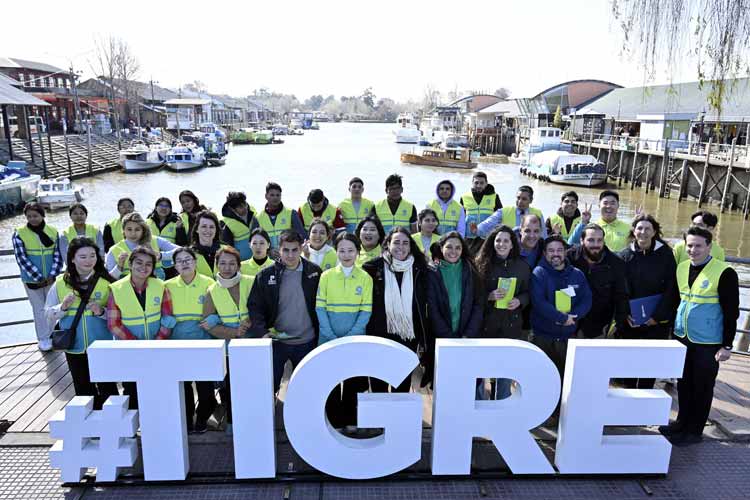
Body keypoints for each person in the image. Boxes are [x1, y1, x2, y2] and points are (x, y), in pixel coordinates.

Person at [661, 226, 739, 446]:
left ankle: (695, 431)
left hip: (709, 341)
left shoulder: (724, 272)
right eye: (689, 246)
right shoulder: (682, 267)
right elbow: (676, 301)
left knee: (702, 386)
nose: (693, 250)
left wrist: (727, 345)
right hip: (682, 336)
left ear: (709, 246)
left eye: (698, 246)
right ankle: (681, 423)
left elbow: (731, 312)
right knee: (684, 383)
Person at [44, 237, 117, 408]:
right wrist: (62, 307)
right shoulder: (61, 282)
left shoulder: (107, 281)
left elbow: (117, 315)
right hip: (74, 347)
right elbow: (48, 313)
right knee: (83, 390)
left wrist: (101, 312)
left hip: (101, 346)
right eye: (83, 257)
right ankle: (90, 430)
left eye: (93, 255)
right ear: (72, 258)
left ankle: (113, 429)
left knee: (108, 389)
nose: (89, 260)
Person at [248, 230, 321, 393]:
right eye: (286, 250)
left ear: (301, 248)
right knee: (269, 386)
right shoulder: (265, 276)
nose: (290, 255)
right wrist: (262, 332)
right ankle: (270, 417)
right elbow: (255, 307)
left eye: (294, 250)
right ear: (278, 250)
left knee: (305, 389)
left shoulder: (314, 272)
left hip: (306, 342)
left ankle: (301, 418)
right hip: (276, 342)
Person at [362, 227, 430, 393]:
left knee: (402, 384)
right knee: (378, 384)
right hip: (380, 334)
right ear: (388, 245)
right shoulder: (371, 268)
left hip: (408, 336)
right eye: (396, 242)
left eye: (405, 243)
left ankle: (397, 419)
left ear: (410, 246)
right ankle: (380, 418)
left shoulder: (420, 269)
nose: (401, 246)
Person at [316, 232, 373, 429]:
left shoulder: (365, 278)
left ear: (358, 252)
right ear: (336, 252)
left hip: (355, 339)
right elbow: (320, 308)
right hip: (327, 338)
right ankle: (334, 420)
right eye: (341, 250)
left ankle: (350, 419)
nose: (346, 254)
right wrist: (330, 334)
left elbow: (366, 311)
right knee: (329, 381)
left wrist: (351, 335)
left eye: (350, 250)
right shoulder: (326, 276)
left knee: (353, 381)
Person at [106, 246, 174, 409]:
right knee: (132, 388)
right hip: (130, 350)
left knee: (160, 387)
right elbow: (113, 324)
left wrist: (156, 342)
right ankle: (132, 431)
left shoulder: (160, 286)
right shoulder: (117, 288)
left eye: (148, 264)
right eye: (139, 263)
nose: (143, 267)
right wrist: (136, 344)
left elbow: (168, 318)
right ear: (130, 264)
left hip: (158, 347)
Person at [616, 214, 677, 389]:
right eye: (639, 228)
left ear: (655, 232)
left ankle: (645, 399)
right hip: (631, 321)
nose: (643, 232)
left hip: (656, 322)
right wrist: (626, 314)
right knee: (629, 364)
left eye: (647, 228)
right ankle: (627, 397)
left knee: (649, 365)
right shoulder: (625, 255)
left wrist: (657, 316)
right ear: (633, 231)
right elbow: (620, 289)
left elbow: (671, 288)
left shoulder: (665, 254)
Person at [474, 226, 531, 399]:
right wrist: (489, 296)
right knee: (480, 370)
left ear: (513, 244)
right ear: (492, 242)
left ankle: (501, 408)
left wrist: (519, 301)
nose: (501, 244)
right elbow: (473, 296)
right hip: (486, 326)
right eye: (498, 240)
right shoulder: (480, 264)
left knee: (504, 373)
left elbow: (528, 293)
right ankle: (478, 408)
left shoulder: (522, 266)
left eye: (506, 240)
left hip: (510, 326)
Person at [202, 247, 254, 434]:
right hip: (229, 349)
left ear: (239, 265)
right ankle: (231, 422)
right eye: (222, 263)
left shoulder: (251, 282)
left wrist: (251, 321)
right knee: (231, 389)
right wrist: (233, 332)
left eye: (232, 263)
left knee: (254, 386)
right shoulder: (212, 291)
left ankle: (256, 420)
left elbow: (263, 308)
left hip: (254, 344)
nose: (227, 267)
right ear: (216, 265)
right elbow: (207, 324)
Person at [165, 247, 217, 433]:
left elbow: (220, 308)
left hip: (203, 342)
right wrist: (165, 320)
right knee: (183, 387)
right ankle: (186, 422)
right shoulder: (167, 286)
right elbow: (162, 310)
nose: (185, 263)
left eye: (188, 259)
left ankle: (202, 419)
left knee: (205, 388)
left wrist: (214, 319)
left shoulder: (209, 283)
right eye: (180, 260)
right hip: (177, 344)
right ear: (175, 265)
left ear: (195, 262)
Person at [425, 231, 483, 387]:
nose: (453, 251)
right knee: (444, 383)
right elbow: (432, 308)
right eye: (449, 247)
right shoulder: (433, 272)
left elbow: (478, 304)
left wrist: (467, 335)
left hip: (466, 336)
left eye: (458, 247)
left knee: (465, 382)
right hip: (442, 338)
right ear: (441, 248)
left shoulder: (471, 269)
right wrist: (448, 336)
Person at [529, 236, 592, 378]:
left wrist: (573, 316)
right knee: (541, 379)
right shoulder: (539, 273)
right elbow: (539, 302)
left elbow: (586, 300)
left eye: (559, 250)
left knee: (566, 381)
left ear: (565, 252)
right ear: (545, 253)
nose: (555, 254)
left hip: (567, 338)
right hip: (542, 338)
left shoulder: (577, 274)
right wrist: (561, 317)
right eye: (551, 251)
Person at [12, 203, 64, 351]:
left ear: (42, 215)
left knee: (52, 308)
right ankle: (43, 338)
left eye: (35, 216)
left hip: (50, 278)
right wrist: (38, 276)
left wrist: (52, 274)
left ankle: (52, 334)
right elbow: (21, 258)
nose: (32, 219)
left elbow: (57, 255)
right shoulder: (19, 233)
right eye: (29, 216)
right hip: (31, 279)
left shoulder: (53, 231)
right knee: (39, 310)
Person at [566, 223, 629, 338]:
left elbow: (622, 296)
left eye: (599, 240)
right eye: (591, 240)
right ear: (581, 240)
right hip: (571, 322)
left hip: (601, 326)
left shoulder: (616, 263)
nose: (596, 245)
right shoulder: (569, 258)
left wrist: (617, 324)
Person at [105, 212, 178, 280]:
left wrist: (161, 255)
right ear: (123, 230)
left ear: (143, 230)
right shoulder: (114, 250)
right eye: (129, 229)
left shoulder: (155, 240)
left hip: (155, 287)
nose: (133, 233)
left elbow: (181, 251)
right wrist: (119, 266)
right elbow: (109, 279)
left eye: (137, 229)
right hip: (129, 290)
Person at [477, 186, 546, 238]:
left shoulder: (538, 213)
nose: (520, 201)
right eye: (518, 198)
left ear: (531, 200)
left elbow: (543, 236)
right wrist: (477, 230)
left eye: (524, 199)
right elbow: (485, 225)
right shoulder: (504, 211)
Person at [460, 171, 503, 252]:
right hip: (469, 237)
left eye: (481, 183)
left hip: (487, 237)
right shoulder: (464, 197)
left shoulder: (494, 197)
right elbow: (460, 220)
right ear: (472, 183)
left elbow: (500, 217)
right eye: (476, 183)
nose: (479, 185)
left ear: (486, 183)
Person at [257, 182, 306, 249]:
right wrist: (269, 251)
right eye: (272, 195)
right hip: (268, 258)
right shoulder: (258, 217)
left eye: (278, 195)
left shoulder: (291, 213)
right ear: (266, 196)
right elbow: (256, 241)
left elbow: (302, 237)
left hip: (288, 255)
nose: (275, 198)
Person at [220, 192, 257, 261]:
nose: (245, 208)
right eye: (240, 207)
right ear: (232, 209)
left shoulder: (253, 212)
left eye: (245, 204)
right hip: (242, 263)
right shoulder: (225, 223)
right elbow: (228, 248)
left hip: (258, 258)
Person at [190, 210, 223, 278]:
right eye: (204, 226)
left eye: (211, 227)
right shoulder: (189, 254)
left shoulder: (227, 250)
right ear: (197, 229)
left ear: (216, 230)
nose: (208, 230)